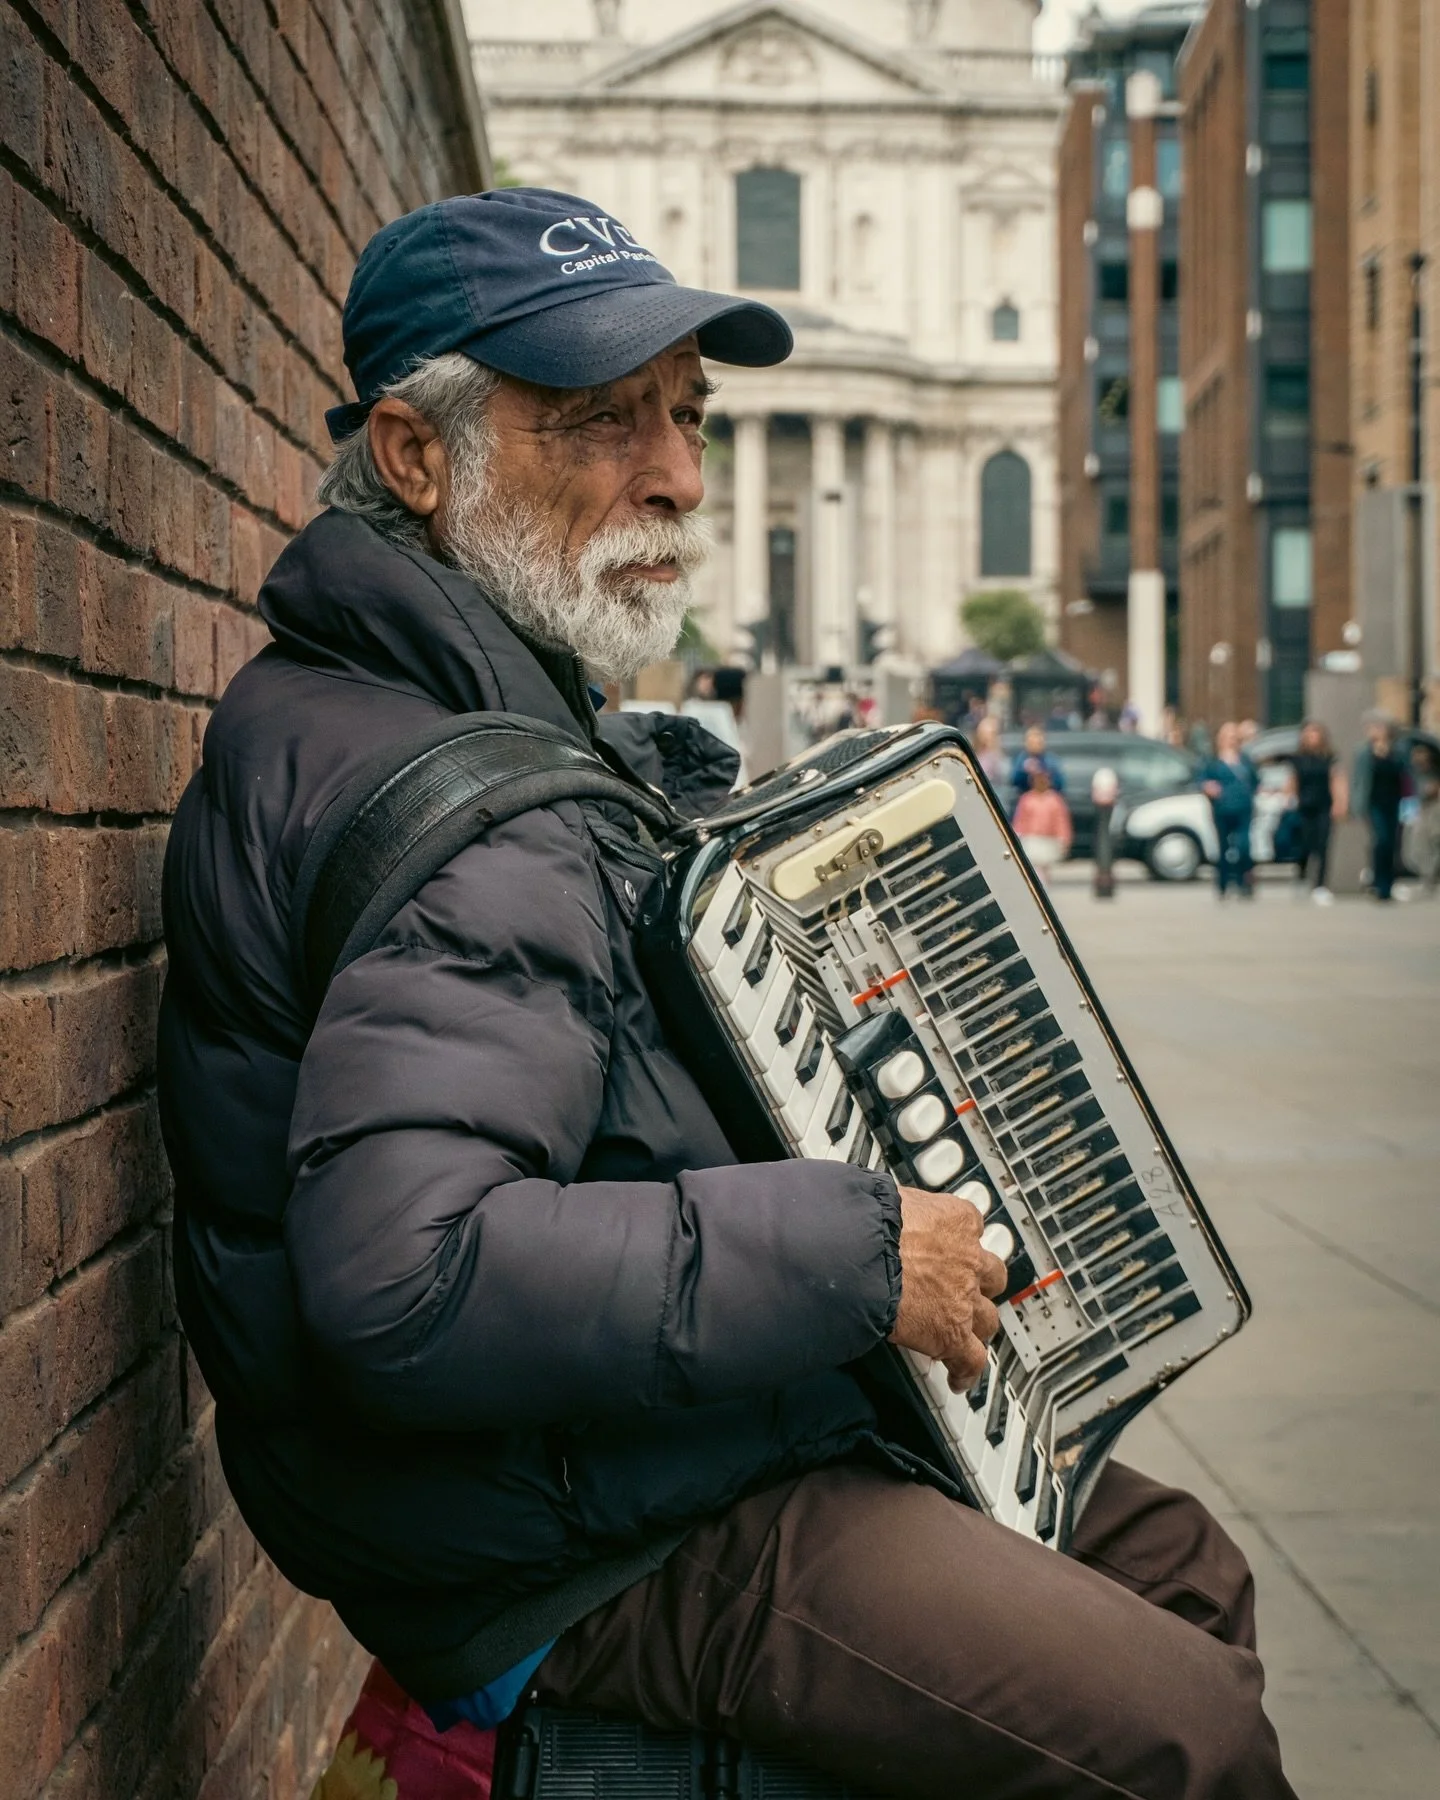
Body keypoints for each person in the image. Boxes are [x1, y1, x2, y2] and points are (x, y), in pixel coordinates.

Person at [157, 187, 1294, 1798]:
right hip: (560, 1533)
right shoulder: (460, 798)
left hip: (627, 1449)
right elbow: (409, 1280)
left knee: (1176, 1564)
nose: (682, 478)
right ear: (417, 457)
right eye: (601, 422)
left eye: (686, 417)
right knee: (1188, 1733)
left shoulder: (457, 706)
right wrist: (856, 1250)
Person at [1285, 720, 1347, 904]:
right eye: (1309, 733)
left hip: (1324, 806)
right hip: (1304, 806)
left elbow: (1337, 779)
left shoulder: (1329, 758)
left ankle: (1320, 885)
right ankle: (1302, 874)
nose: (1312, 737)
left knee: (1323, 845)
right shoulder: (1298, 758)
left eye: (1316, 733)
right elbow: (1292, 780)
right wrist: (1288, 797)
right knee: (1305, 844)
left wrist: (1340, 802)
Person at [1352, 714, 1407, 901]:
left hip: (1394, 801)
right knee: (1381, 840)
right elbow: (1359, 780)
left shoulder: (1398, 749)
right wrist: (1356, 805)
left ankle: (1387, 886)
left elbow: (1405, 772)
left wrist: (1387, 753)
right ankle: (1377, 881)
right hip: (1373, 802)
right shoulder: (1363, 751)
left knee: (1392, 843)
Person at [1201, 721, 1258, 898]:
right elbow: (1202, 779)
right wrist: (1208, 787)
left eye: (1234, 737)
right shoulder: (1213, 761)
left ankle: (1244, 881)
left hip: (1243, 808)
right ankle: (1223, 883)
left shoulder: (1245, 760)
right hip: (1222, 809)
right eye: (1228, 737)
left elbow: (1256, 781)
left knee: (1243, 845)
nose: (1231, 741)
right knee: (1223, 847)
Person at [1013, 761, 1073, 881]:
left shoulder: (1055, 800)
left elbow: (1061, 822)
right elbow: (1020, 821)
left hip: (1049, 841)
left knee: (1044, 872)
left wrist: (1064, 840)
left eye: (1044, 779)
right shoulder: (1026, 799)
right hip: (1031, 841)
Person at [1406, 740, 1440, 894]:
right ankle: (1425, 875)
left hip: (1434, 811)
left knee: (1434, 841)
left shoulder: (1435, 771)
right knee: (1416, 846)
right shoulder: (1410, 772)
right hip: (1416, 811)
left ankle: (1430, 876)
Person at [1008, 723, 1066, 802]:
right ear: (1026, 743)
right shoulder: (1020, 759)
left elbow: (1060, 783)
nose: (1035, 744)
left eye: (1038, 741)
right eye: (1031, 742)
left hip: (1047, 800)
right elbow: (1014, 781)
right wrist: (1025, 771)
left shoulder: (1051, 759)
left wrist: (1043, 773)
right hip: (1025, 800)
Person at [970, 712, 1005, 786]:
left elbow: (1003, 776)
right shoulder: (973, 754)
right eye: (984, 732)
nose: (987, 737)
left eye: (992, 733)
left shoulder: (998, 755)